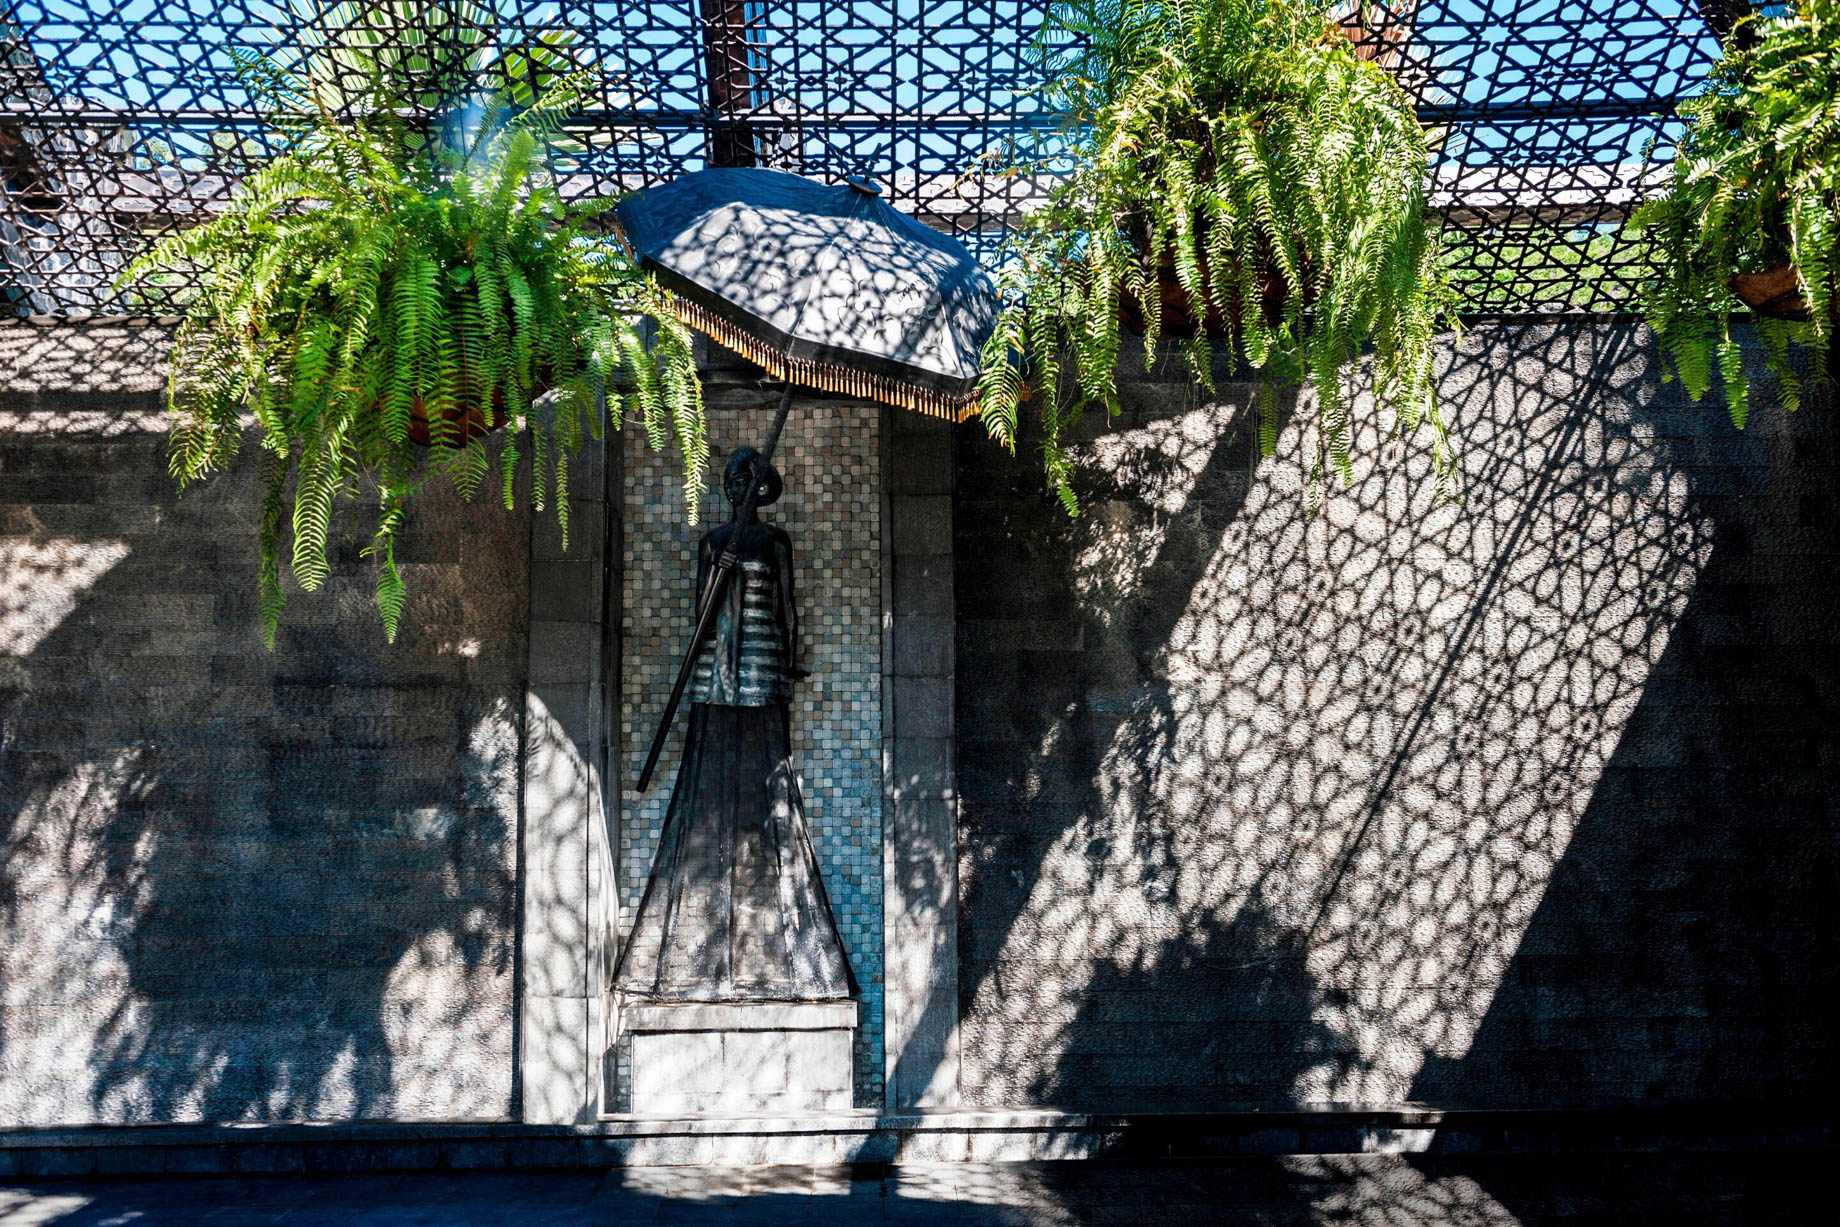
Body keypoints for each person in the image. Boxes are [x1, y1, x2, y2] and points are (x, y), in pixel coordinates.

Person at [613, 448, 856, 1002]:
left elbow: (787, 607)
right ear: (729, 489)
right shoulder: (712, 541)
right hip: (716, 666)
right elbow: (701, 611)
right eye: (736, 482)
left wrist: (792, 659)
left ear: (762, 490)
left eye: (752, 482)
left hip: (762, 660)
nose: (743, 490)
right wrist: (717, 576)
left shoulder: (774, 544)